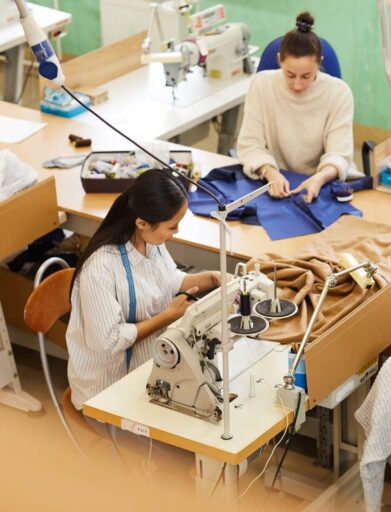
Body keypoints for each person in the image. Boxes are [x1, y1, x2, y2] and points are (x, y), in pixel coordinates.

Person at [67, 169, 220, 410]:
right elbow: (107, 342)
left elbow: (168, 279)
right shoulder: (100, 270)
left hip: (148, 368)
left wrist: (212, 278)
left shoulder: (151, 242)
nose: (176, 232)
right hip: (105, 393)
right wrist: (167, 317)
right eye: (172, 226)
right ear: (141, 222)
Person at [237, 11, 354, 203]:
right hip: (273, 181)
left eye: (306, 76)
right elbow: (250, 145)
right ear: (279, 60)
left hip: (322, 184)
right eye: (290, 75)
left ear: (320, 63)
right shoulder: (261, 85)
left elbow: (339, 154)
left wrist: (320, 177)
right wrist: (269, 172)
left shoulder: (339, 93)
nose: (297, 85)